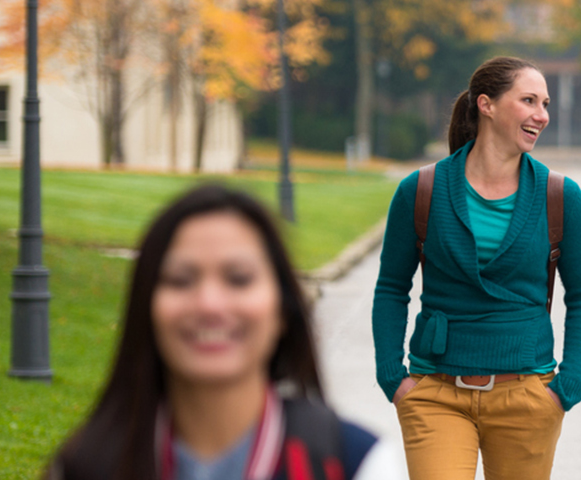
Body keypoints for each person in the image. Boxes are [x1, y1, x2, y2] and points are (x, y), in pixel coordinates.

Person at [46, 184, 401, 480]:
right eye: (180, 280)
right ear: (146, 307)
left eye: (238, 279)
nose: (209, 305)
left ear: (282, 309)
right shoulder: (84, 465)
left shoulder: (354, 464)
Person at [371, 56, 581, 479]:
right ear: (486, 104)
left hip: (528, 395)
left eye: (545, 103)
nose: (542, 115)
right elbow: (391, 288)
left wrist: (567, 386)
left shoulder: (561, 196)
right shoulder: (420, 190)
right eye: (528, 100)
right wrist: (392, 377)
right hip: (435, 392)